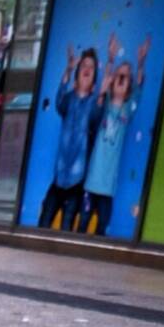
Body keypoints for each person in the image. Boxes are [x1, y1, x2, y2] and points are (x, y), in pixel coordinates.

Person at [80, 33, 149, 234]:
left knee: (101, 229)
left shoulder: (128, 109)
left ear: (129, 86)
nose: (120, 78)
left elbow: (139, 89)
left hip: (107, 189)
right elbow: (105, 81)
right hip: (90, 184)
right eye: (119, 75)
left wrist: (141, 62)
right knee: (82, 227)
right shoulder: (104, 104)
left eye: (125, 77)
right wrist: (110, 60)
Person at [39, 43, 103, 230]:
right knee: (43, 223)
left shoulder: (94, 102)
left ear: (94, 80)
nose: (87, 69)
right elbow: (59, 103)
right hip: (58, 178)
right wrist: (68, 69)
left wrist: (100, 94)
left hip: (77, 182)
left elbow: (97, 117)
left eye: (91, 67)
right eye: (83, 65)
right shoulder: (68, 99)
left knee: (66, 227)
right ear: (77, 73)